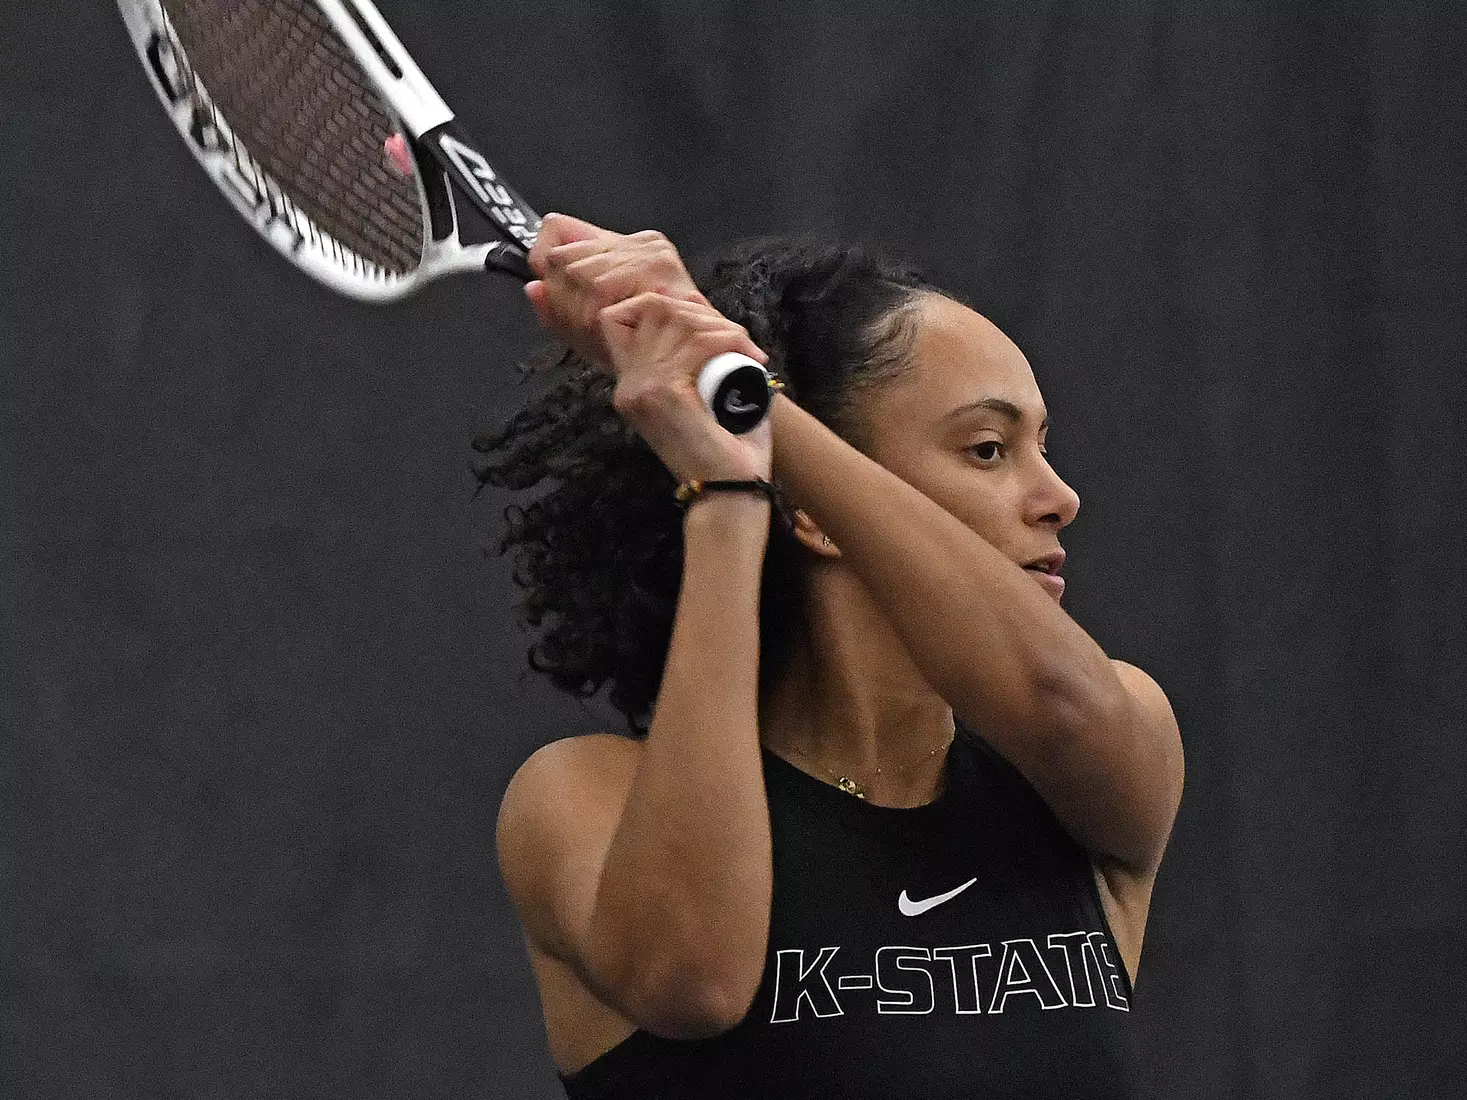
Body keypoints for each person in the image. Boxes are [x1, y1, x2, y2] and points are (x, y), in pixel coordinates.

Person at [480, 214, 1185, 1099]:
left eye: (1043, 448)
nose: (1059, 497)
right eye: (987, 449)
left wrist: (749, 400)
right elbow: (693, 980)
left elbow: (1055, 693)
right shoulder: (583, 799)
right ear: (813, 510)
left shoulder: (1091, 774)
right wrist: (736, 484)